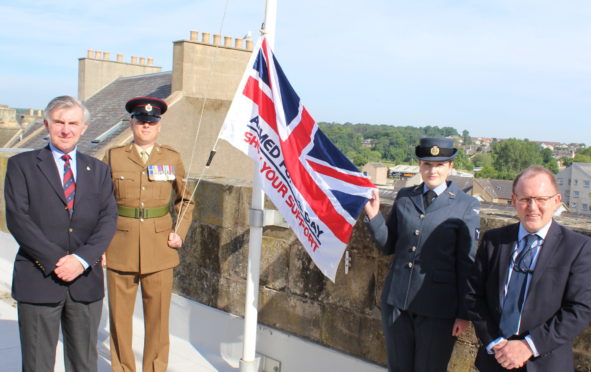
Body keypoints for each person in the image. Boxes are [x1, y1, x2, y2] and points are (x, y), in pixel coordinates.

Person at [4, 95, 118, 371]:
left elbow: (108, 218)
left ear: (84, 128)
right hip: (38, 277)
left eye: (73, 123)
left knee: (84, 363)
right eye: (59, 122)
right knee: (37, 363)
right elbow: (18, 219)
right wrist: (58, 260)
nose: (66, 129)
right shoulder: (22, 166)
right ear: (46, 124)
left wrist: (80, 260)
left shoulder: (100, 171)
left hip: (85, 281)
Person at [364, 137, 480, 372]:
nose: (432, 170)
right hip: (397, 301)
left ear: (450, 166)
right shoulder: (406, 196)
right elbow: (389, 246)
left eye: (439, 165)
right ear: (419, 165)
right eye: (427, 164)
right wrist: (374, 216)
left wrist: (463, 314)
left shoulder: (465, 205)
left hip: (438, 309)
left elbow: (466, 263)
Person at [467, 165, 591, 371]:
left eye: (541, 199)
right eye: (525, 199)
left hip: (545, 362)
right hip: (494, 359)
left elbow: (579, 309)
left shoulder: (577, 248)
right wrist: (493, 341)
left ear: (557, 201)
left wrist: (528, 346)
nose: (533, 207)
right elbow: (473, 295)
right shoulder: (495, 240)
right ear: (514, 201)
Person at [104, 96, 194, 372]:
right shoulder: (113, 156)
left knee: (158, 319)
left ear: (159, 126)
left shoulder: (171, 158)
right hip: (119, 245)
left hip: (160, 248)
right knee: (119, 319)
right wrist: (100, 247)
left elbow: (186, 200)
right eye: (141, 121)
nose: (146, 125)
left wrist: (179, 232)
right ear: (131, 123)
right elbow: (100, 204)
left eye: (151, 122)